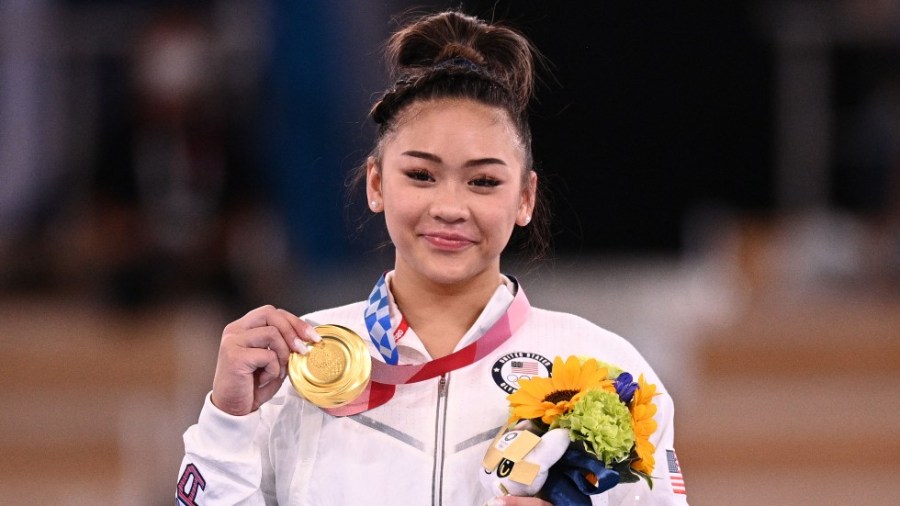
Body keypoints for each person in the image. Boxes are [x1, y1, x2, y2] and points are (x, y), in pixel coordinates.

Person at [177, 10, 689, 506]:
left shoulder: (608, 370)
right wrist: (229, 418)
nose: (449, 208)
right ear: (376, 183)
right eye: (421, 175)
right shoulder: (293, 368)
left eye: (483, 181)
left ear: (525, 199)